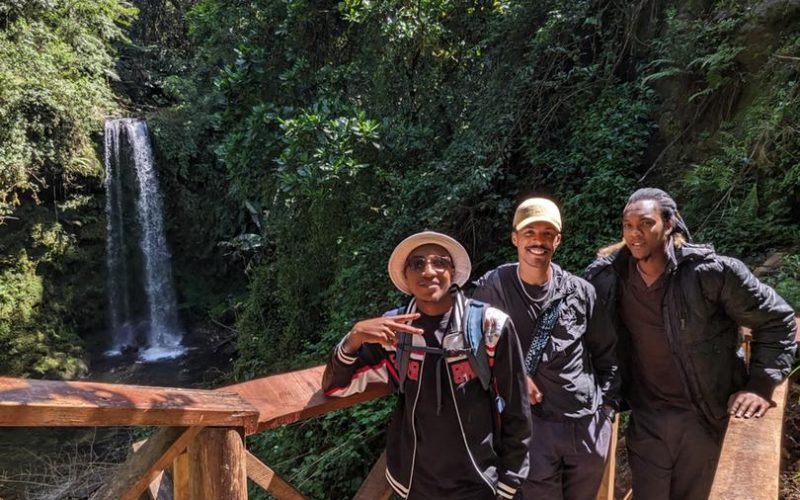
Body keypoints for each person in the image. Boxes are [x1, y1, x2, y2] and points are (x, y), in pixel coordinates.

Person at [585, 187, 798, 500]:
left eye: (645, 224)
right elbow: (578, 333)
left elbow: (777, 320)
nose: (635, 234)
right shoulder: (607, 277)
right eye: (628, 226)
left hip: (705, 418)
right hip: (647, 422)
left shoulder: (710, 274)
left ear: (669, 224)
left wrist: (760, 385)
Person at [322, 231, 531, 500]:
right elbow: (335, 387)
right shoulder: (394, 331)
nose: (429, 271)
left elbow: (517, 410)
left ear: (452, 271)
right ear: (406, 277)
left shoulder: (490, 326)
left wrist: (509, 481)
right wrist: (355, 336)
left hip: (480, 482)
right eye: (417, 264)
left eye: (439, 262)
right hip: (415, 484)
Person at [473, 198, 620, 500]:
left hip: (587, 426)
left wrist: (606, 411)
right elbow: (473, 352)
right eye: (530, 233)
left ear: (558, 240)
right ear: (515, 238)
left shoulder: (581, 291)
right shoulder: (494, 287)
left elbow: (607, 353)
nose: (538, 241)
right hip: (532, 431)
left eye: (547, 233)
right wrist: (513, 377)